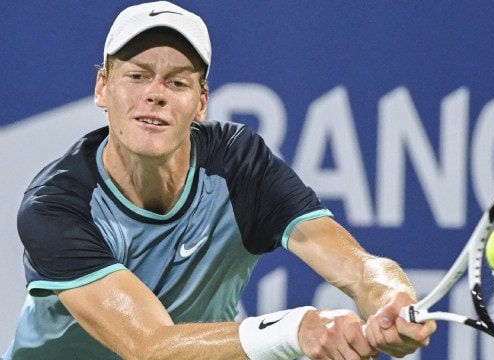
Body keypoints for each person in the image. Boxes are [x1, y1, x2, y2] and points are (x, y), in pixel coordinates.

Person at [2, 2, 436, 359]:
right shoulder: (57, 206)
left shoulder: (238, 165)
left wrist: (389, 297)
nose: (155, 93)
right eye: (137, 76)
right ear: (102, 87)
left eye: (177, 81)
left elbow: (357, 268)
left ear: (201, 102)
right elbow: (149, 345)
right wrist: (295, 329)